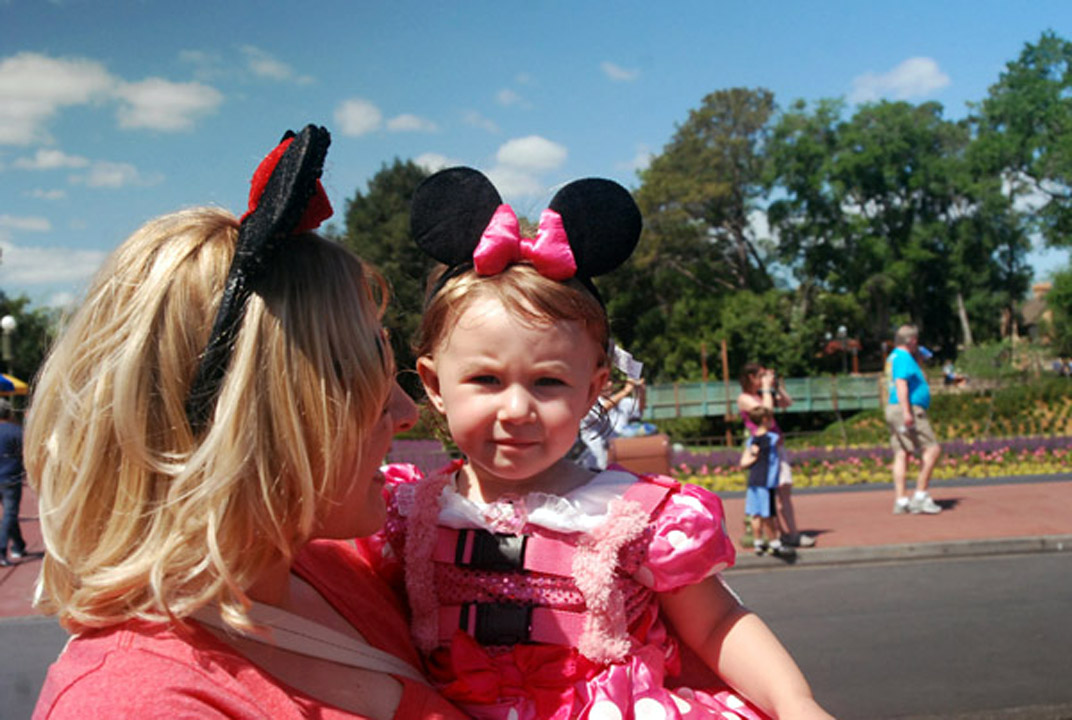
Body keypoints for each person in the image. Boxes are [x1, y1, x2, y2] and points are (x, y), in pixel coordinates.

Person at [28, 126, 465, 719]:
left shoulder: (335, 567)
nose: (407, 412)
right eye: (365, 379)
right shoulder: (139, 703)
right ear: (256, 422)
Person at [364, 167, 833, 719]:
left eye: (548, 382)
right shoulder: (402, 513)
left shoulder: (635, 518)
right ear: (434, 384)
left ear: (593, 389)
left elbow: (716, 623)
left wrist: (795, 703)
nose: (516, 410)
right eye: (486, 379)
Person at [736, 364, 814, 548]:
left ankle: (792, 534)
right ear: (751, 377)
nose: (765, 378)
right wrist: (766, 389)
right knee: (767, 493)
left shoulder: (764, 395)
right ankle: (775, 535)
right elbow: (767, 414)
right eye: (761, 375)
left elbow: (787, 403)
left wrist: (776, 387)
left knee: (784, 489)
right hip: (763, 451)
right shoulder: (744, 398)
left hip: (776, 447)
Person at [884, 324, 943, 515]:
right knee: (932, 448)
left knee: (902, 452)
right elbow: (901, 384)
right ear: (913, 341)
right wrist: (907, 412)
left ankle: (901, 500)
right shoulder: (903, 357)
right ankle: (920, 496)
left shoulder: (894, 357)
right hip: (908, 408)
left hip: (894, 408)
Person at [739, 407, 787, 558]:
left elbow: (744, 462)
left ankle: (758, 543)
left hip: (754, 480)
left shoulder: (751, 440)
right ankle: (774, 543)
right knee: (768, 515)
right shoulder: (773, 438)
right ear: (765, 419)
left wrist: (754, 456)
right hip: (766, 482)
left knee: (755, 514)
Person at [0, 397, 27, 567]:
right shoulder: (16, 431)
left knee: (10, 515)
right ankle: (2, 549)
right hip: (10, 478)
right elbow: (26, 454)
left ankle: (19, 544)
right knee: (10, 514)